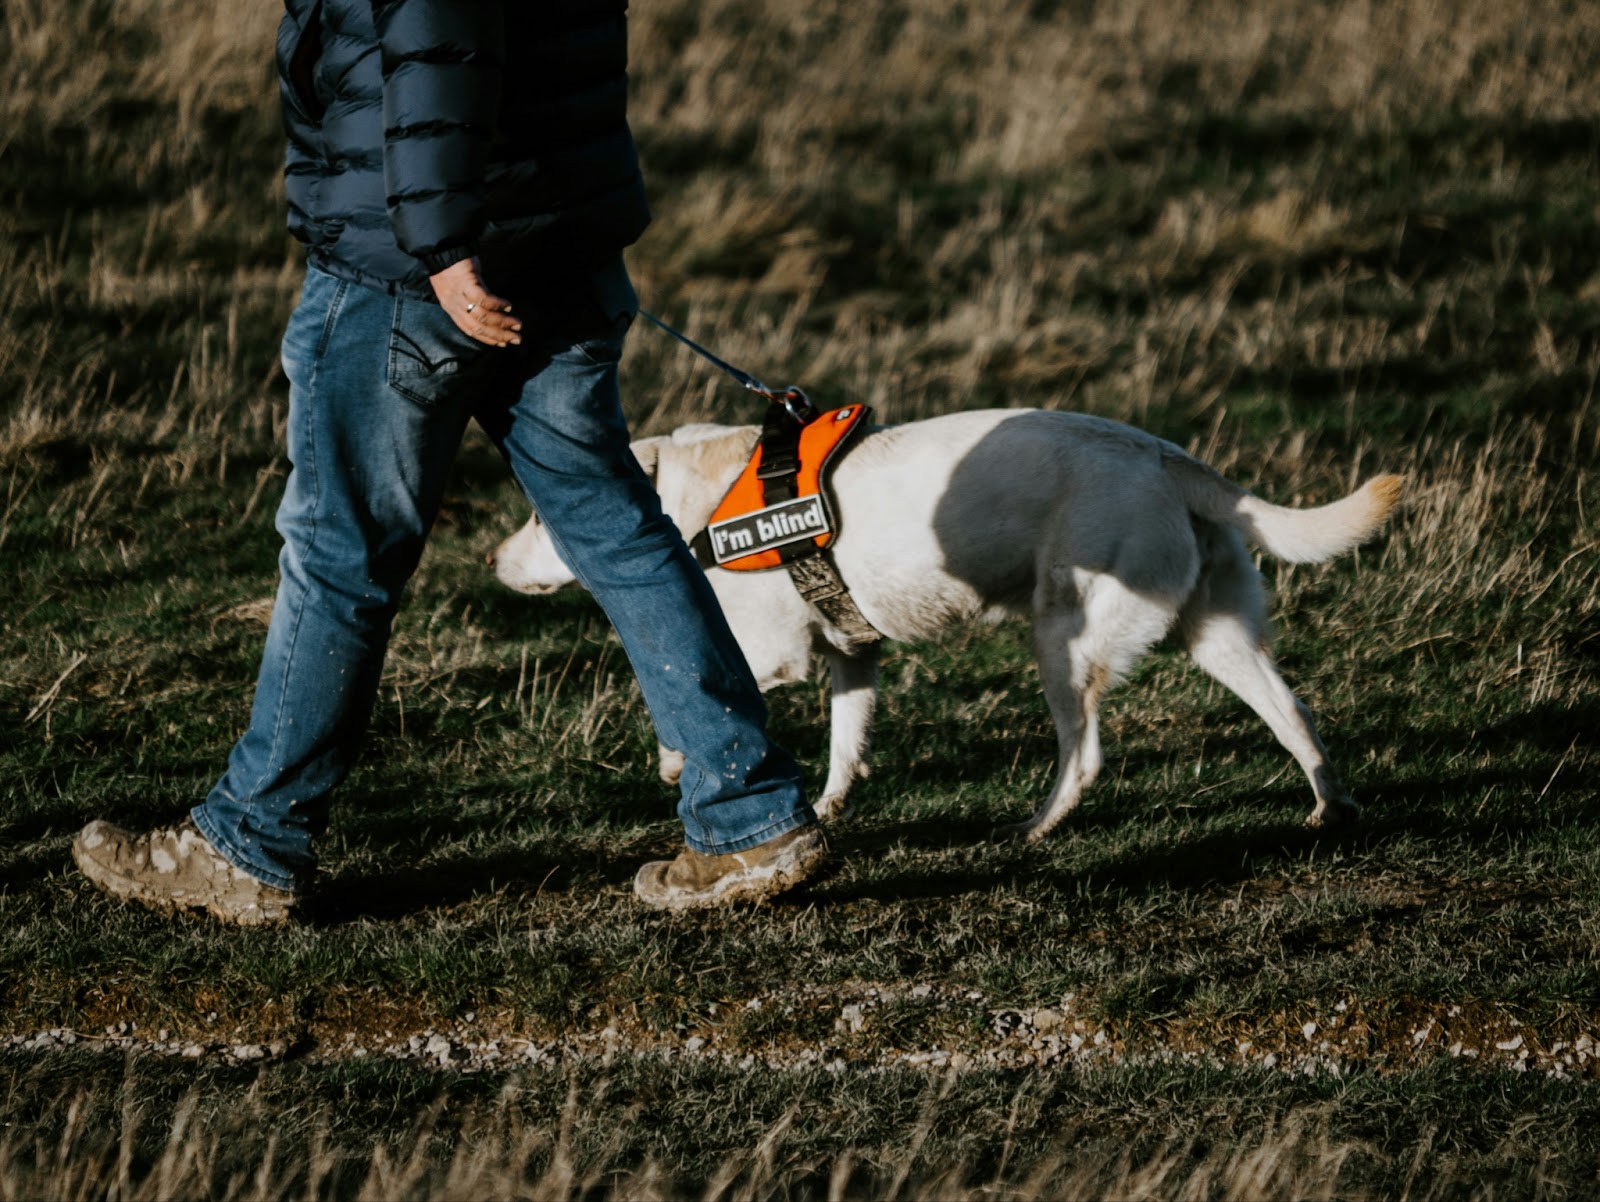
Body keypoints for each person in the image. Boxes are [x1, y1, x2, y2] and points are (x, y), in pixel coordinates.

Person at [70, 0, 825, 925]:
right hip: (559, 247)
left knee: (341, 555)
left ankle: (250, 844)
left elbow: (439, 39)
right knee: (618, 529)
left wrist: (444, 247)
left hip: (417, 272)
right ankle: (750, 814)